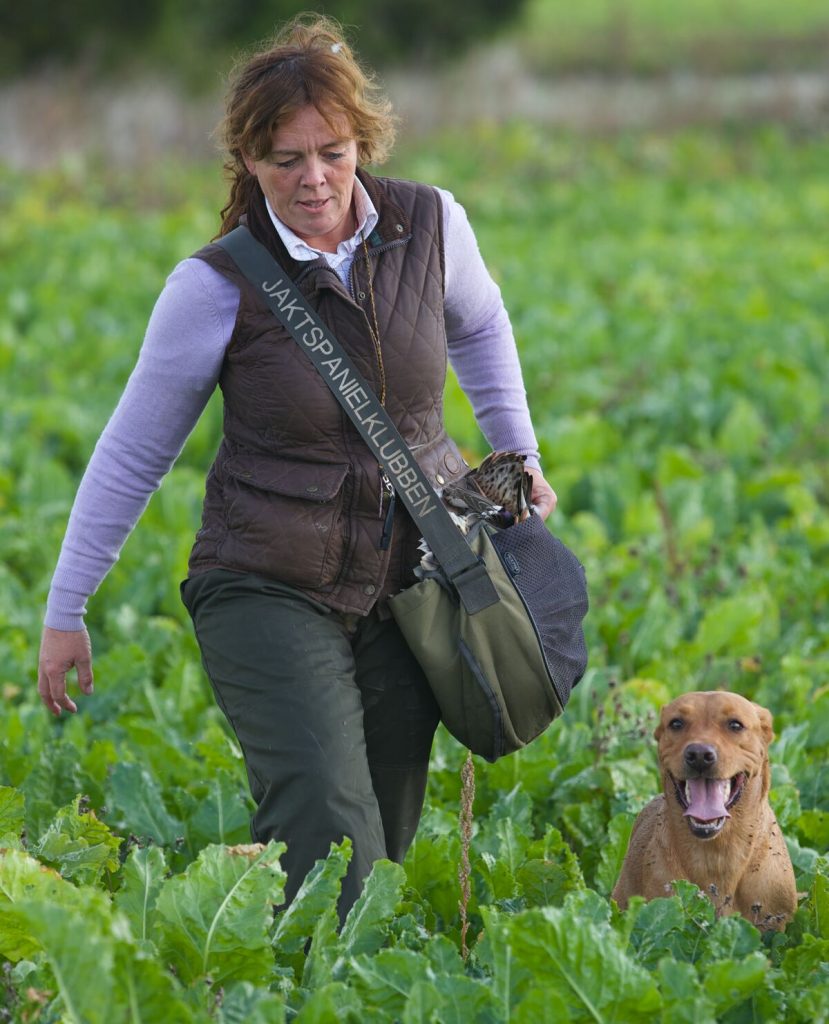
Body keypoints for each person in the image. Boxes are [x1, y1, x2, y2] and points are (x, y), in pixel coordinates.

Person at [37, 14, 557, 917]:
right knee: (328, 827)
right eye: (284, 160)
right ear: (248, 162)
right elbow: (132, 453)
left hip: (415, 582)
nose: (313, 178)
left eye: (332, 151)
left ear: (362, 140)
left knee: (383, 850)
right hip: (266, 583)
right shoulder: (212, 287)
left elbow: (481, 327)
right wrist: (66, 607)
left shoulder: (431, 225)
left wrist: (520, 455)